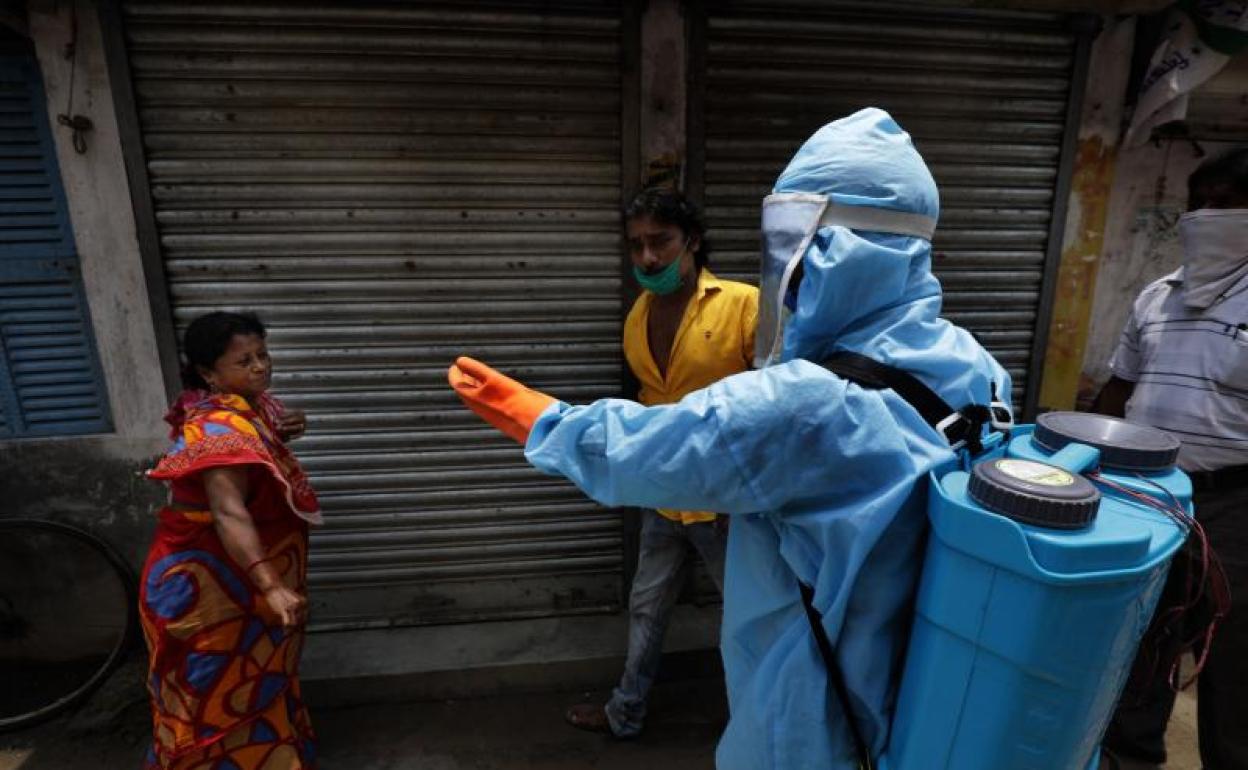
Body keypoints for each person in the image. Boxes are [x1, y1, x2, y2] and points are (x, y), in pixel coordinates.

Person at [449, 107, 1011, 769]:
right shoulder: (977, 366)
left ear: (831, 253)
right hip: (927, 696)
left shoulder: (811, 402)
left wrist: (538, 418)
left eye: (793, 246)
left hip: (817, 719)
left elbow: (669, 444)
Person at [564, 188, 758, 737]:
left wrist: (747, 496)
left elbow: (775, 406)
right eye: (637, 245)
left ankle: (759, 726)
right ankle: (625, 712)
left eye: (661, 242)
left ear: (691, 240)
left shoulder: (744, 305)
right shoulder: (638, 315)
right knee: (646, 605)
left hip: (727, 503)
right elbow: (647, 406)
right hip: (664, 495)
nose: (647, 258)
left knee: (751, 616)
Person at [1095, 147, 1248, 770]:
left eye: (1224, 203)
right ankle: (1129, 759)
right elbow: (1117, 390)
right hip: (1149, 496)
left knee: (1232, 657)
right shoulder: (1157, 296)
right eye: (1198, 202)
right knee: (1144, 638)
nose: (1205, 216)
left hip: (1234, 503)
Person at [140, 311, 321, 770]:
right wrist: (271, 586)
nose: (261, 366)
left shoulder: (252, 408)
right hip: (209, 585)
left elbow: (257, 449)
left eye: (263, 354)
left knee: (254, 675)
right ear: (208, 373)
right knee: (215, 684)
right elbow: (227, 511)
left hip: (237, 579)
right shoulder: (218, 428)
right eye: (244, 361)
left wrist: (280, 431)